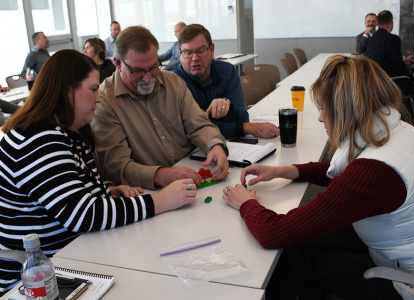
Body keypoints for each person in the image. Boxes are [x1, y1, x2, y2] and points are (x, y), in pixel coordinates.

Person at [222, 55, 414, 300]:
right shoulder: (398, 130)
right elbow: (348, 176)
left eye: (323, 108)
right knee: (304, 242)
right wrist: (286, 170)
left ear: (343, 110)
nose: (320, 118)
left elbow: (273, 233)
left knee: (306, 258)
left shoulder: (376, 172)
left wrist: (246, 203)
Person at [0, 49, 198, 296]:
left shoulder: (64, 132)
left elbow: (76, 188)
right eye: (93, 90)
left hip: (78, 253)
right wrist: (159, 201)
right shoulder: (38, 140)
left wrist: (108, 190)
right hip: (44, 275)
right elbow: (82, 214)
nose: (99, 99)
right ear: (67, 90)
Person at [93, 26, 229, 190]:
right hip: (149, 192)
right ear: (118, 63)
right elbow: (117, 167)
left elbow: (199, 124)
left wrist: (216, 146)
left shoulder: (173, 82)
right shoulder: (103, 102)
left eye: (153, 67)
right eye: (138, 71)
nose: (148, 78)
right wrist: (162, 175)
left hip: (188, 178)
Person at [172, 24, 279, 139]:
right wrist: (246, 128)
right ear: (180, 54)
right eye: (188, 52)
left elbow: (243, 118)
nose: (195, 58)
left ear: (212, 49)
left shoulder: (227, 71)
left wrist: (228, 106)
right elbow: (192, 129)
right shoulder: (174, 81)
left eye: (201, 50)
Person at [365, 10, 414, 116]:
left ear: (377, 23)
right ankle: (406, 116)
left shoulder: (373, 38)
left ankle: (406, 108)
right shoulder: (392, 39)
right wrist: (412, 79)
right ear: (391, 21)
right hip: (395, 82)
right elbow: (400, 69)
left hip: (381, 82)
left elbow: (387, 61)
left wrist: (404, 62)